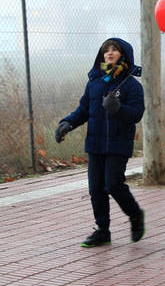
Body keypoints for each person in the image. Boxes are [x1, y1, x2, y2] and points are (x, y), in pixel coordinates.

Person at [54, 38, 145, 247]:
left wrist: (118, 109)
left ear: (124, 55)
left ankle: (135, 215)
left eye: (115, 50)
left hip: (118, 143)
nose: (110, 53)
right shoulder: (94, 82)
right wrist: (67, 123)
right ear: (102, 55)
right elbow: (84, 110)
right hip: (95, 143)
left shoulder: (131, 86)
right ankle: (102, 231)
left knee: (113, 184)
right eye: (106, 50)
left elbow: (137, 114)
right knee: (96, 188)